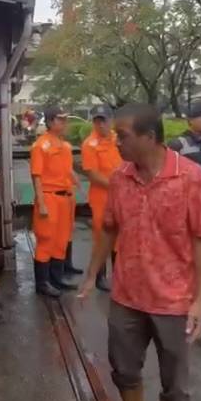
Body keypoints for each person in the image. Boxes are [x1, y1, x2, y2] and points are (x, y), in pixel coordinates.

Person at [78, 103, 201, 401]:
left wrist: (200, 300)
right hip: (127, 296)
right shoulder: (120, 178)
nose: (115, 141)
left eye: (122, 135)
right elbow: (108, 228)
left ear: (150, 137)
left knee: (176, 385)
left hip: (175, 301)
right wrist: (92, 274)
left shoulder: (190, 177)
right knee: (124, 369)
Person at [30, 106, 77, 297]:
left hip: (64, 198)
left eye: (65, 119)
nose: (64, 123)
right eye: (60, 119)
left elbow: (67, 171)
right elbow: (37, 176)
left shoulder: (64, 146)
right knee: (46, 240)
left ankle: (56, 279)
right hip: (49, 197)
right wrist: (41, 203)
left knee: (61, 240)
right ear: (49, 122)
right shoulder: (41, 146)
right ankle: (42, 283)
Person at [80, 106, 124, 291]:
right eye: (97, 120)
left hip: (121, 196)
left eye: (104, 120)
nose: (101, 124)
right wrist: (115, 185)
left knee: (121, 237)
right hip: (101, 198)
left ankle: (119, 276)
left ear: (111, 120)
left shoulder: (118, 139)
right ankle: (99, 277)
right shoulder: (89, 145)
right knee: (101, 237)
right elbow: (92, 174)